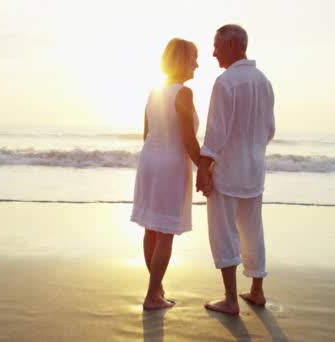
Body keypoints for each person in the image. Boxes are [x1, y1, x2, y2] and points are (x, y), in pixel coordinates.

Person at [196, 24, 276, 315]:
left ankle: (230, 299)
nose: (213, 52)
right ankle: (257, 291)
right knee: (253, 230)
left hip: (229, 171)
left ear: (232, 45)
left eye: (217, 45)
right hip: (255, 170)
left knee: (224, 232)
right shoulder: (264, 81)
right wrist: (251, 149)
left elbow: (216, 133)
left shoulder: (226, 82)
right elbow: (269, 130)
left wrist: (204, 168)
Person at [131, 38, 202, 311]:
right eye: (194, 58)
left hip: (149, 159)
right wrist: (205, 168)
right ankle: (152, 295)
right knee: (166, 233)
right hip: (171, 163)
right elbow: (188, 139)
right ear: (183, 61)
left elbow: (146, 132)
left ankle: (156, 288)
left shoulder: (154, 91)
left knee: (152, 228)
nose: (197, 64)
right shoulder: (183, 93)